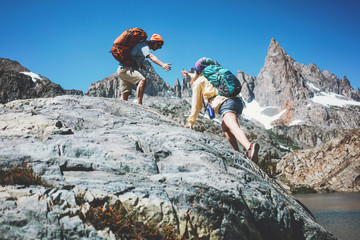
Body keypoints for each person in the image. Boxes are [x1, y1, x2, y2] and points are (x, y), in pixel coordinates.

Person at [181, 57, 260, 163]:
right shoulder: (214, 76)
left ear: (198, 71)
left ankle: (250, 147)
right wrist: (189, 74)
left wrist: (191, 121)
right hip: (237, 102)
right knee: (225, 128)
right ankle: (238, 152)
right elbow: (198, 76)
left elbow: (197, 105)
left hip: (225, 104)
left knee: (233, 127)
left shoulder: (199, 82)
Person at [118, 34, 171, 104]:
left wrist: (140, 65)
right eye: (158, 45)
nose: (158, 47)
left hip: (122, 69)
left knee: (125, 94)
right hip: (126, 69)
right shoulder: (145, 46)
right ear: (153, 42)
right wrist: (162, 64)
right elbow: (151, 56)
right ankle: (139, 103)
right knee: (142, 80)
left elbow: (133, 55)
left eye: (160, 47)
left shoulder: (142, 45)